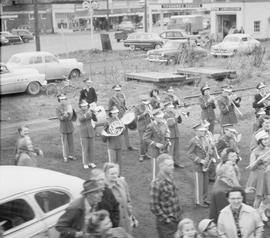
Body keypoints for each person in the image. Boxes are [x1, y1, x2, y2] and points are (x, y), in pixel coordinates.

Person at [150, 154, 182, 238]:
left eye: (172, 164)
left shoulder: (170, 176)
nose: (173, 167)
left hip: (177, 218)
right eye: (169, 165)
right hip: (166, 224)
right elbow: (154, 206)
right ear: (161, 166)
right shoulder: (156, 183)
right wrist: (166, 219)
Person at [103, 163, 137, 233]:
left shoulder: (122, 182)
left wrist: (131, 217)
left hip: (127, 223)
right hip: (115, 225)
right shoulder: (104, 190)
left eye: (116, 173)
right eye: (112, 174)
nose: (115, 175)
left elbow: (128, 201)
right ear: (106, 174)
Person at [187, 123, 214, 208]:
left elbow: (207, 149)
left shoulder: (205, 139)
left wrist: (210, 151)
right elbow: (189, 154)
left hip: (206, 164)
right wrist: (200, 160)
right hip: (198, 166)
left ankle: (204, 199)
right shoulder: (193, 141)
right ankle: (199, 201)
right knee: (199, 184)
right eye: (201, 131)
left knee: (205, 183)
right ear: (196, 131)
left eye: (203, 131)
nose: (203, 132)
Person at [246, 130, 270, 211]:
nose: (267, 141)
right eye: (265, 139)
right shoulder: (255, 152)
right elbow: (251, 167)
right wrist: (258, 162)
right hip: (258, 176)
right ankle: (255, 212)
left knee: (267, 196)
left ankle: (262, 211)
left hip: (267, 175)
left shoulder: (268, 150)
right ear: (260, 141)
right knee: (258, 197)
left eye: (268, 139)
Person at [143, 109, 171, 178]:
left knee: (163, 167)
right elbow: (145, 138)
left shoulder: (164, 123)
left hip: (164, 148)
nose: (161, 119)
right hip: (155, 150)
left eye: (161, 117)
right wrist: (155, 144)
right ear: (155, 117)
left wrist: (168, 139)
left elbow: (167, 131)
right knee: (156, 170)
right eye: (159, 118)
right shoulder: (151, 126)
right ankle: (155, 183)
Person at [108, 84, 136, 151]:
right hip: (117, 116)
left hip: (123, 115)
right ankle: (117, 146)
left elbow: (124, 105)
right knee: (118, 131)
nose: (118, 91)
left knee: (125, 131)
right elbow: (109, 108)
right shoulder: (112, 98)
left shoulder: (123, 96)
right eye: (116, 90)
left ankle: (128, 146)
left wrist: (127, 109)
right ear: (114, 90)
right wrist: (113, 108)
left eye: (119, 90)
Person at [56, 93, 76, 162]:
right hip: (63, 127)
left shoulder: (69, 106)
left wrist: (70, 113)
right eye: (61, 99)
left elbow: (73, 117)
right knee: (65, 143)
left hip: (70, 125)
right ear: (59, 100)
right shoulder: (58, 108)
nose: (63, 100)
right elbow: (60, 118)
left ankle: (71, 155)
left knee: (71, 142)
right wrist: (64, 116)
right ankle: (65, 156)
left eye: (64, 99)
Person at [163, 101, 184, 168]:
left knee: (177, 150)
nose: (172, 108)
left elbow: (180, 121)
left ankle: (177, 163)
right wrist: (176, 116)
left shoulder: (173, 113)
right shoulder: (165, 115)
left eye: (172, 107)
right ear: (166, 108)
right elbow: (170, 124)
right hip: (170, 135)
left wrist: (178, 115)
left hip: (176, 134)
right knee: (170, 151)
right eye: (170, 107)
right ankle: (169, 164)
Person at [77, 100, 97, 169]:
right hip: (83, 132)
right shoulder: (79, 112)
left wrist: (94, 114)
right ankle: (85, 163)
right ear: (80, 107)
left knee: (91, 148)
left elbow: (95, 119)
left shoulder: (89, 111)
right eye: (83, 106)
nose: (85, 107)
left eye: (86, 106)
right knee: (85, 149)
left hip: (91, 131)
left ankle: (91, 162)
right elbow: (81, 119)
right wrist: (87, 114)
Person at [134, 95, 152, 162]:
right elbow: (136, 118)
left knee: (147, 141)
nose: (146, 102)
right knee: (142, 141)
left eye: (146, 100)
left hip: (149, 126)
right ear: (141, 101)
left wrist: (151, 114)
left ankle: (145, 154)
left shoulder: (149, 106)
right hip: (141, 127)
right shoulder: (137, 107)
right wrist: (144, 113)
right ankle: (141, 155)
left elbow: (151, 114)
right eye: (144, 101)